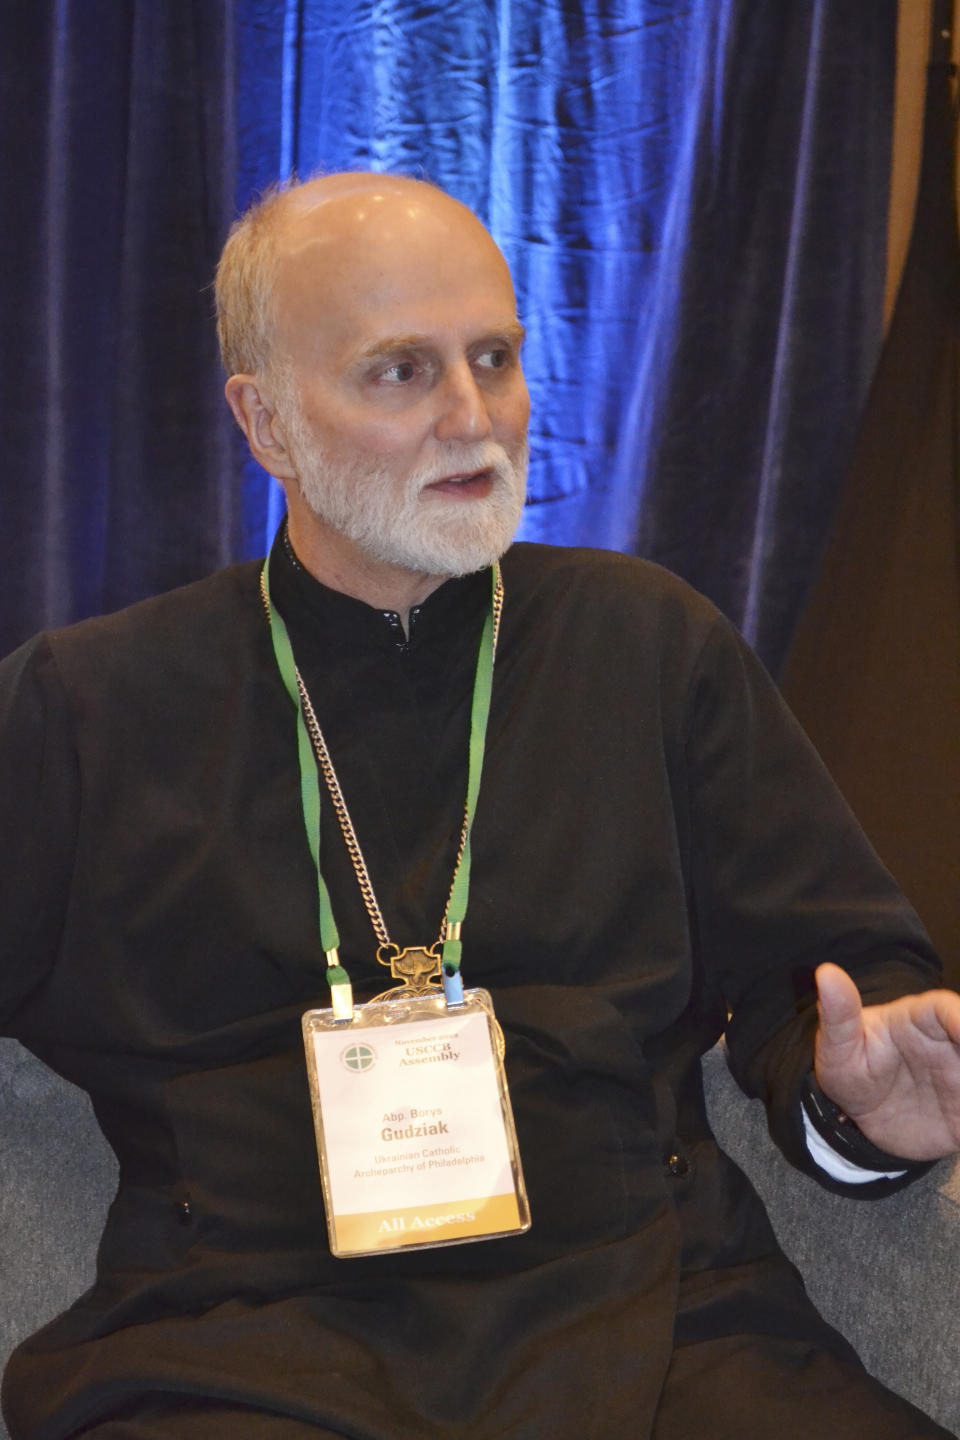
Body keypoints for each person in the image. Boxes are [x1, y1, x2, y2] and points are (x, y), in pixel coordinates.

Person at [1, 171, 959, 1439]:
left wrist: (866, 1109)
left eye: (494, 357)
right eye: (400, 370)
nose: (474, 417)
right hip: (246, 1348)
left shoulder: (647, 646)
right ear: (267, 421)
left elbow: (838, 988)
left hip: (660, 1328)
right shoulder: (90, 705)